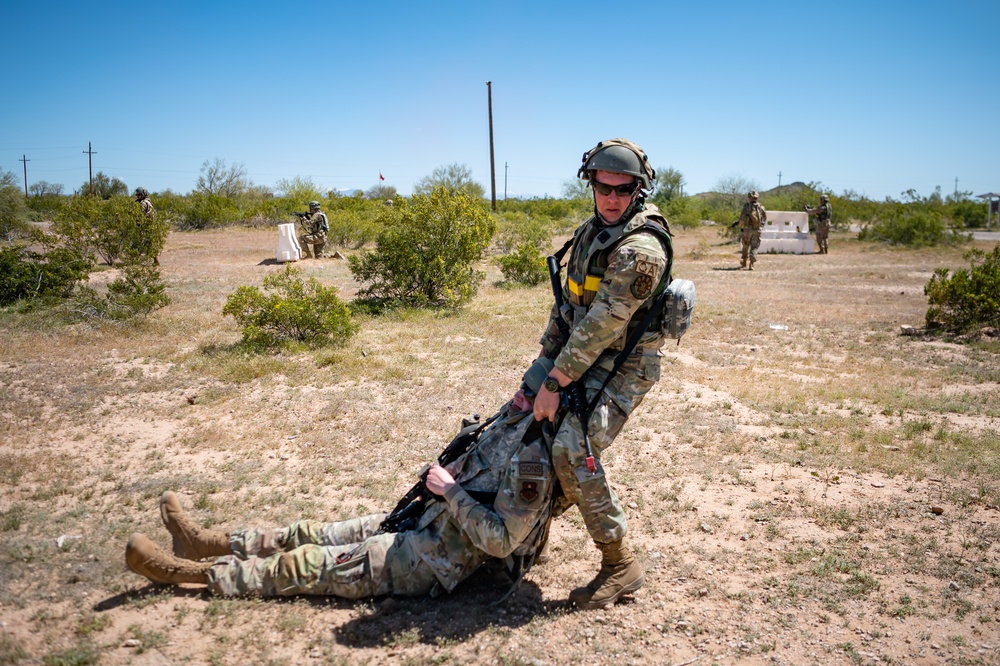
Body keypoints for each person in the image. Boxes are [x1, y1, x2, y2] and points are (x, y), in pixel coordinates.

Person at [125, 362, 558, 600]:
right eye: (522, 386)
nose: (518, 395)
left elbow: (501, 540)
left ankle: (190, 574)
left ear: (547, 404)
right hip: (415, 522)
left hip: (430, 558)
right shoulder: (512, 418)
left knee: (308, 564)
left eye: (529, 393)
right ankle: (206, 543)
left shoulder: (533, 462)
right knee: (306, 533)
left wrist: (451, 490)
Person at [532, 138, 673, 609]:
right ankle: (527, 534)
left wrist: (555, 383)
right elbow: (568, 308)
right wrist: (538, 371)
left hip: (626, 362)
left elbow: (601, 325)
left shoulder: (642, 249)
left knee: (572, 447)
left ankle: (619, 565)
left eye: (623, 189)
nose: (612, 197)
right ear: (591, 185)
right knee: (529, 432)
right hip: (585, 355)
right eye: (603, 187)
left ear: (639, 189)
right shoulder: (589, 233)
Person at [735, 191, 767, 270]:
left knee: (745, 246)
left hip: (747, 230)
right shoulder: (761, 207)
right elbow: (764, 218)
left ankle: (744, 262)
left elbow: (742, 219)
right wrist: (760, 227)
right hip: (757, 230)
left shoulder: (746, 207)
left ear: (749, 198)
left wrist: (739, 225)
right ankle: (751, 264)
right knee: (754, 247)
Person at [133, 187, 160, 265]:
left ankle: (134, 260)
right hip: (151, 226)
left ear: (143, 194)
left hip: (144, 226)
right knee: (150, 243)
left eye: (139, 195)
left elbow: (139, 214)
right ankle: (155, 260)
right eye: (137, 195)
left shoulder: (143, 203)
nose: (138, 197)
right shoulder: (149, 202)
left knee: (136, 243)